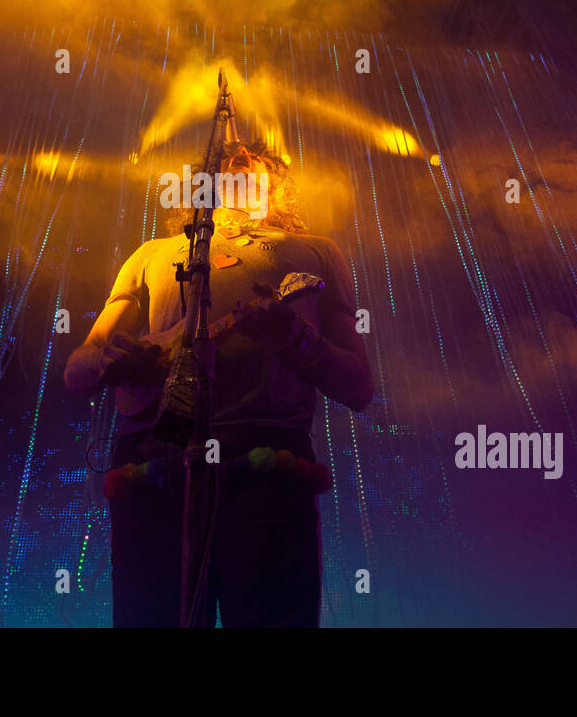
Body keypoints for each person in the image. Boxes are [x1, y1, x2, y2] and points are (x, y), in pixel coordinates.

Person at [64, 140, 374, 627]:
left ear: (277, 188)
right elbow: (76, 369)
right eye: (223, 172)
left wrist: (294, 339)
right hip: (154, 464)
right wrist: (113, 359)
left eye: (250, 171)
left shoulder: (315, 251)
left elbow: (359, 386)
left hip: (267, 467)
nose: (235, 178)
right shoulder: (151, 254)